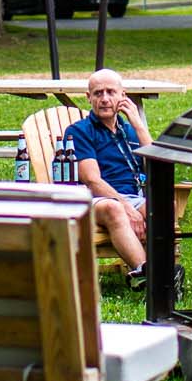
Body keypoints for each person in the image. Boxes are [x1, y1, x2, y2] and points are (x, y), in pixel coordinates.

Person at [62, 69, 155, 287]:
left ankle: (164, 272)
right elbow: (92, 181)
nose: (104, 99)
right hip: (94, 200)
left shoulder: (129, 131)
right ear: (89, 97)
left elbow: (156, 166)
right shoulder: (79, 131)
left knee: (164, 207)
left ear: (123, 96)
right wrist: (127, 208)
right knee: (114, 209)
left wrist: (138, 124)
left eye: (111, 92)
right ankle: (147, 275)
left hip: (133, 197)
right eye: (98, 93)